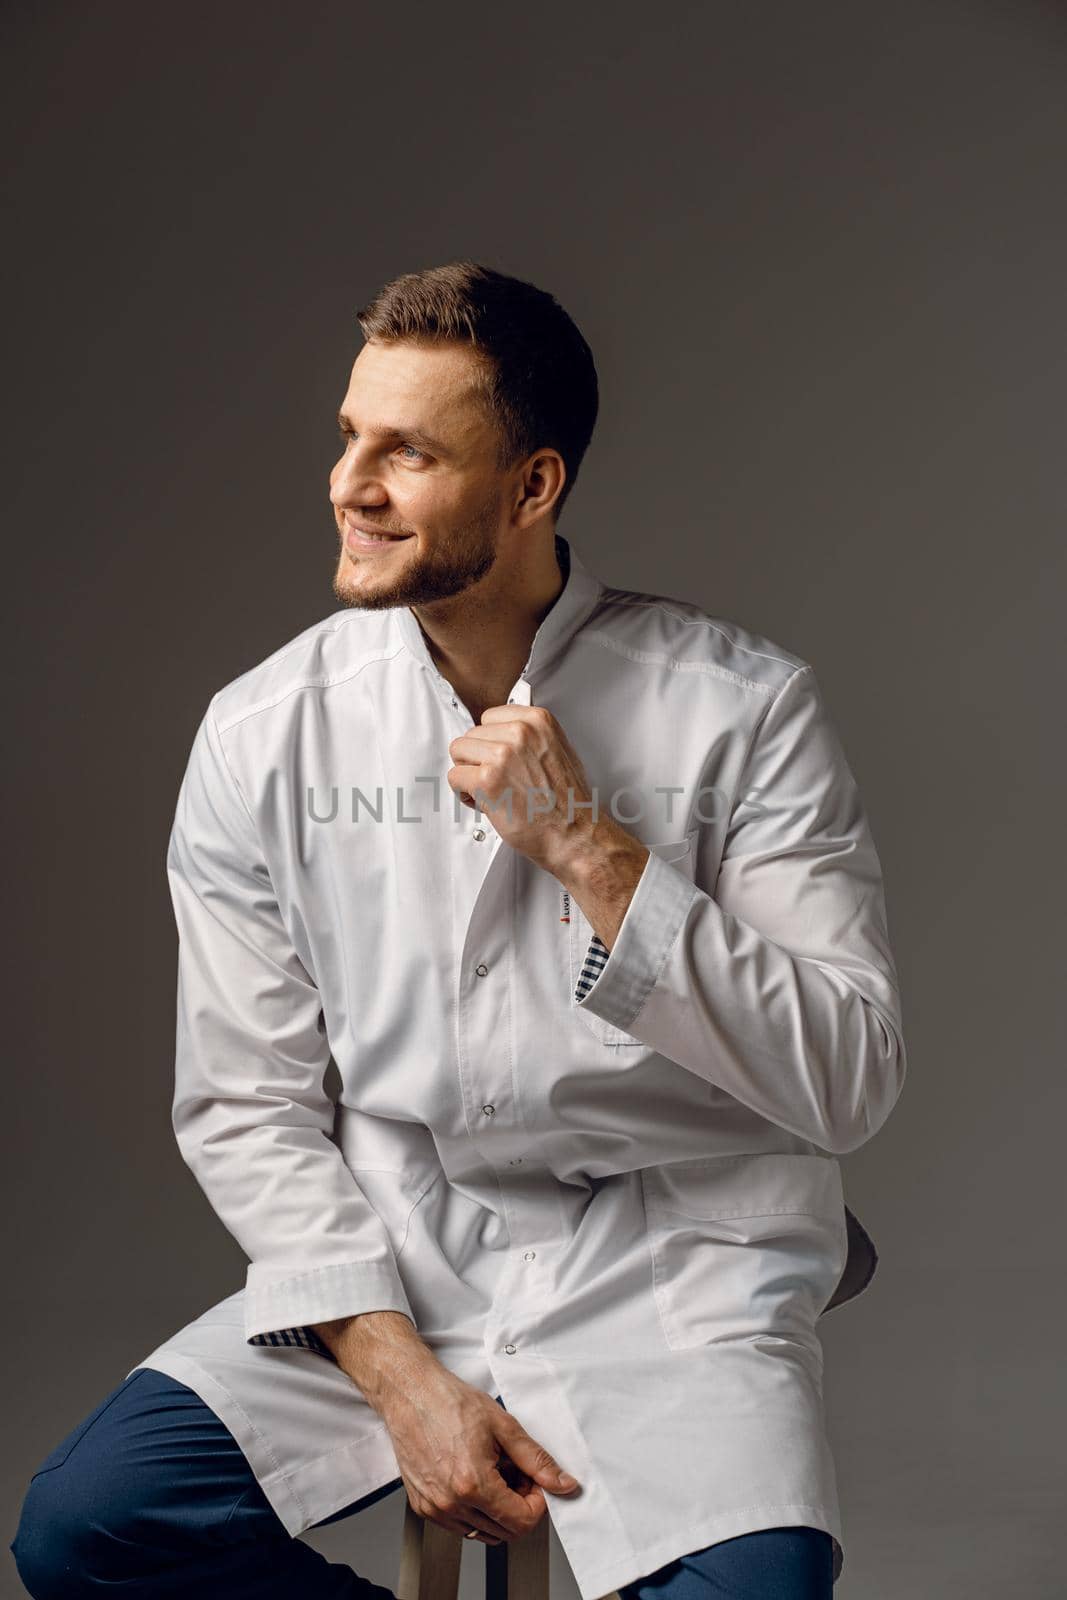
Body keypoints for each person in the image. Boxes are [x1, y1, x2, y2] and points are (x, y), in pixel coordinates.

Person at [11, 261, 906, 1600]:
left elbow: (849, 1076)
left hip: (681, 1254)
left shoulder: (743, 707)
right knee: (88, 1531)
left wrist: (594, 853)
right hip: (404, 1254)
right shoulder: (265, 732)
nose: (350, 485)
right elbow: (248, 1101)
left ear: (532, 487)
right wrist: (399, 1372)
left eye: (409, 452)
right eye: (348, 438)